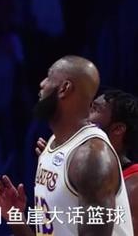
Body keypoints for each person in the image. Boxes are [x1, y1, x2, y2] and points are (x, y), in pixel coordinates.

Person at [0, 56, 133, 235]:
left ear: (65, 88)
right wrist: (15, 217)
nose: (42, 84)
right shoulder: (53, 144)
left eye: (49, 77)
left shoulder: (91, 157)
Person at [36, 89, 138, 232]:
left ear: (118, 129)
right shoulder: (75, 167)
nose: (85, 114)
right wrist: (54, 167)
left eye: (95, 109)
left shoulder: (134, 186)